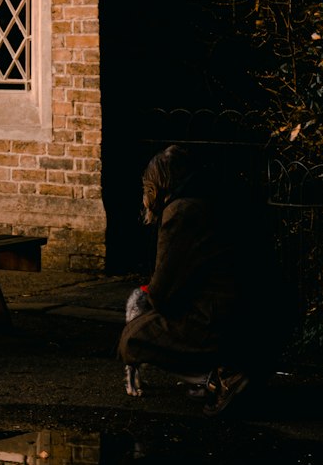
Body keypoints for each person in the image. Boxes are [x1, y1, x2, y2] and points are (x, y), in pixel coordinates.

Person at [118, 144, 278, 416]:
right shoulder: (222, 197)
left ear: (158, 184)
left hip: (226, 319)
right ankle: (226, 372)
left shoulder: (181, 212)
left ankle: (219, 378)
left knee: (133, 338)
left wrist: (151, 304)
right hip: (264, 316)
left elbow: (163, 292)